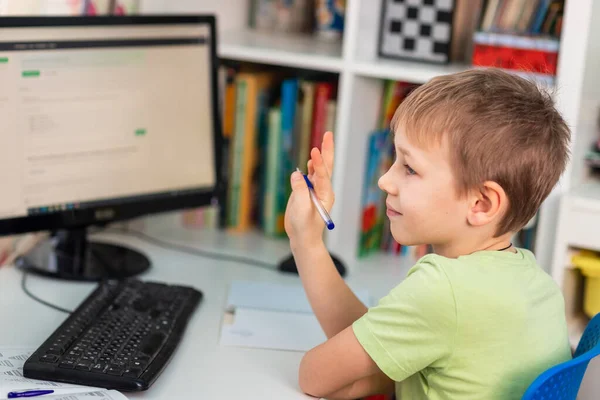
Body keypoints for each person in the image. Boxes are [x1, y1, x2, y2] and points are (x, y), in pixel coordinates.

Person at [284, 68, 572, 400]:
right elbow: (376, 344)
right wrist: (306, 241)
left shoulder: (441, 289)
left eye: (410, 168)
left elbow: (314, 376)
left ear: (481, 203)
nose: (385, 181)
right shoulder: (534, 280)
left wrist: (367, 380)